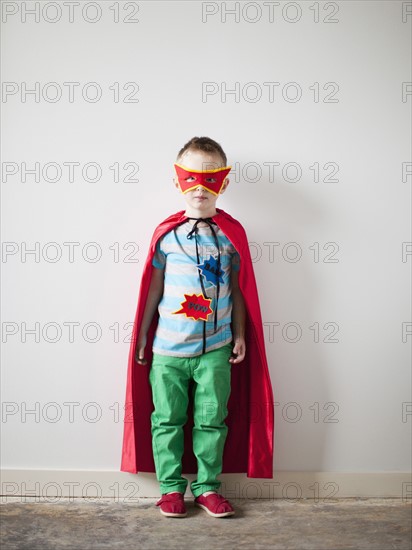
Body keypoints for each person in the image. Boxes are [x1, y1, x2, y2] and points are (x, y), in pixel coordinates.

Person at [121, 136, 274, 519]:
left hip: (216, 349)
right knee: (167, 419)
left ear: (224, 182)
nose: (200, 187)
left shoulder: (230, 236)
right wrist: (141, 335)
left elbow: (240, 292)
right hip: (168, 351)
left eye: (210, 177)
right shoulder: (166, 235)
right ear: (177, 182)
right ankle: (171, 489)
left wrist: (239, 334)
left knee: (212, 419)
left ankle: (207, 487)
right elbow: (151, 289)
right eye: (191, 177)